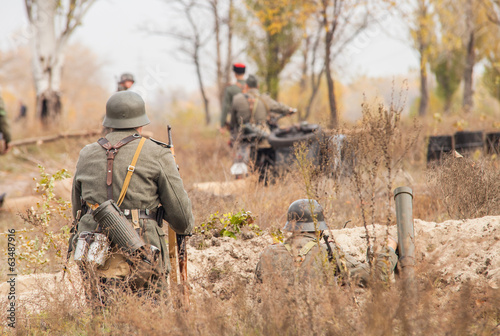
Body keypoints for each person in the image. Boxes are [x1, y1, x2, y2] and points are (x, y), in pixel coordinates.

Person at [71, 91, 194, 303]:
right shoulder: (157, 153)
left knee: (101, 320)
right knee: (151, 319)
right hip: (144, 257)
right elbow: (182, 221)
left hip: (94, 255)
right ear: (141, 124)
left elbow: (77, 211)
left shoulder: (86, 153)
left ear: (108, 122)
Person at [255, 199, 398, 286]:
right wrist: (388, 250)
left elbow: (257, 292)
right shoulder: (328, 252)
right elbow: (378, 279)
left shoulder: (267, 253)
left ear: (291, 228)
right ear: (320, 230)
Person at [220, 63, 246, 132]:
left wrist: (222, 125)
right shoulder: (251, 87)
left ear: (235, 74)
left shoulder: (230, 89)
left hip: (236, 123)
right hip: (252, 122)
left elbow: (226, 107)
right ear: (244, 73)